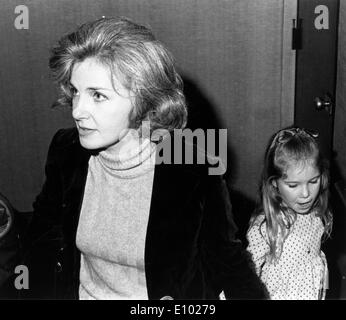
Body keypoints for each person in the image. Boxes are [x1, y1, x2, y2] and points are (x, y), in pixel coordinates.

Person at [13, 16, 268, 300]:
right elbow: (42, 242)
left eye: (97, 95)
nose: (77, 111)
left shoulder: (193, 168)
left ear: (145, 99)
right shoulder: (66, 150)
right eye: (76, 91)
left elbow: (227, 261)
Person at [246, 127, 333, 300]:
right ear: (274, 184)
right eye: (293, 185)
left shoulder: (315, 214)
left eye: (313, 181)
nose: (306, 194)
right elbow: (244, 272)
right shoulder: (266, 227)